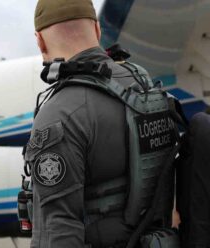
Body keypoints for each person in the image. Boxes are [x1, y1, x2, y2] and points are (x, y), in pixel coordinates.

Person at [24, 0, 178, 247]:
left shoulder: (60, 114)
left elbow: (58, 231)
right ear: (97, 30)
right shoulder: (143, 83)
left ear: (40, 41)